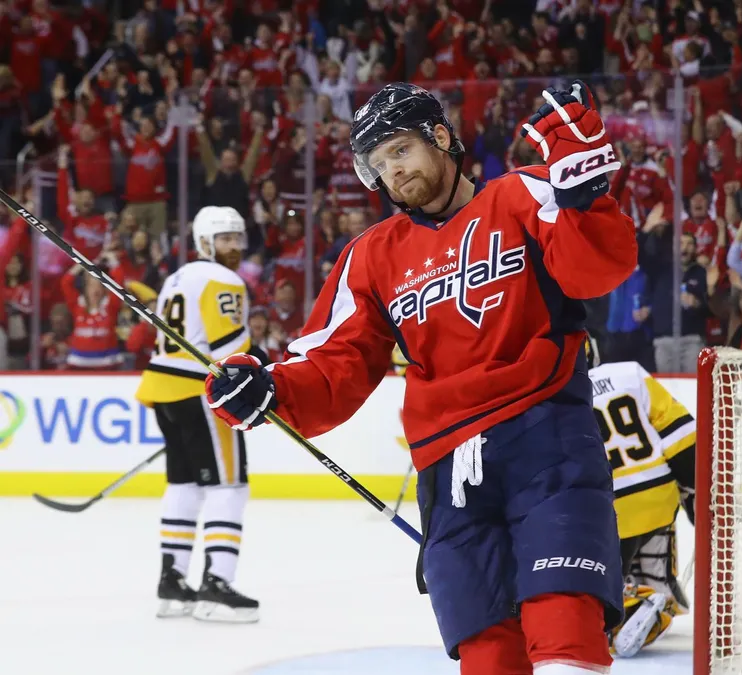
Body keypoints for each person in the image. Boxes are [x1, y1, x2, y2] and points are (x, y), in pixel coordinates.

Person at [205, 81, 637, 674]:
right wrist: (273, 390)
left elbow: (597, 271)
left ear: (440, 137)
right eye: (380, 164)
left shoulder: (522, 194)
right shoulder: (372, 255)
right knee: (488, 657)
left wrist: (584, 198)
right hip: (447, 469)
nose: (394, 173)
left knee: (564, 634)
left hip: (547, 440)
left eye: (401, 151)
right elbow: (335, 360)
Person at [135, 206, 258, 623]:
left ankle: (172, 583)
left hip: (164, 391)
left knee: (184, 484)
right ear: (205, 242)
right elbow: (229, 350)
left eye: (237, 238)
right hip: (200, 393)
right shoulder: (225, 280)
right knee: (229, 487)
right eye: (225, 239)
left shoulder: (178, 277)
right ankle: (217, 586)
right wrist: (263, 365)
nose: (234, 247)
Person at [586, 345, 695, 658]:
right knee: (654, 526)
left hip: (606, 511)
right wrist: (695, 489)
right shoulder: (629, 373)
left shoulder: (559, 394)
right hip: (659, 500)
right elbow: (681, 436)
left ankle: (628, 606)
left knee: (595, 591)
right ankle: (660, 589)